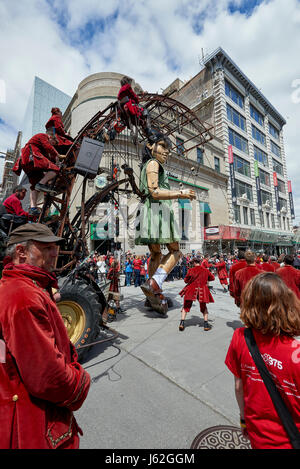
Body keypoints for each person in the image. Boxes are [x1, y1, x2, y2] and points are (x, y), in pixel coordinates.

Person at [0, 223, 90, 449]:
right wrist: (81, 381)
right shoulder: (24, 297)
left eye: (55, 247)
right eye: (47, 247)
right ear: (21, 252)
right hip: (35, 427)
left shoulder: (17, 287)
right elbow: (49, 378)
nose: (55, 253)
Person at [225, 272, 300, 449]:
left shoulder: (240, 337)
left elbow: (238, 386)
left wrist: (243, 420)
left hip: (258, 433)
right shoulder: (296, 353)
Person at [136, 130, 195, 312]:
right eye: (162, 146)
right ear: (150, 146)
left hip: (148, 210)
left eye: (167, 147)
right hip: (157, 209)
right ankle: (154, 283)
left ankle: (152, 295)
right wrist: (180, 193)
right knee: (175, 251)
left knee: (155, 255)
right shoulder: (153, 164)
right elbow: (154, 191)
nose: (166, 151)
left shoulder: (148, 165)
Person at [13, 132, 64, 215]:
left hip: (27, 163)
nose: (53, 145)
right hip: (32, 157)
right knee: (55, 169)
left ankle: (33, 207)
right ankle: (41, 184)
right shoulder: (43, 136)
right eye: (53, 143)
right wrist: (58, 155)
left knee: (34, 186)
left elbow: (48, 155)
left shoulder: (40, 146)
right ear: (51, 137)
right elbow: (48, 147)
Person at [179, 257, 215, 331]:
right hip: (202, 290)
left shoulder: (191, 270)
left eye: (192, 263)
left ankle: (182, 323)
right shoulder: (205, 270)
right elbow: (212, 278)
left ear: (194, 263)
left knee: (186, 306)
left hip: (191, 289)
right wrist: (205, 278)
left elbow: (186, 280)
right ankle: (206, 325)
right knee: (203, 306)